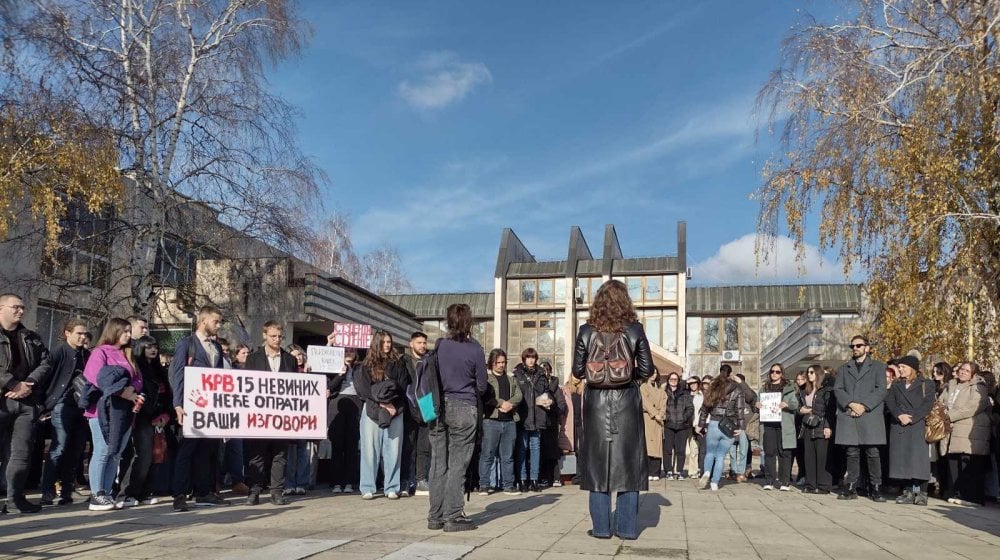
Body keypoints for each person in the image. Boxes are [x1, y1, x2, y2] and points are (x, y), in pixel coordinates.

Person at [571, 280, 653, 540]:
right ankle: (627, 528)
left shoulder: (586, 330)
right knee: (629, 464)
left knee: (597, 465)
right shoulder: (635, 329)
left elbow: (576, 370)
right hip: (627, 401)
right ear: (625, 301)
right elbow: (647, 369)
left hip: (595, 402)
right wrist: (629, 380)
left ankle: (601, 528)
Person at [427, 303, 488, 532]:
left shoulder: (440, 345)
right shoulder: (475, 350)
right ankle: (453, 516)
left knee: (438, 463)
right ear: (469, 322)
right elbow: (481, 386)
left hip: (437, 408)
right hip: (464, 407)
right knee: (457, 465)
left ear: (448, 321)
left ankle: (435, 516)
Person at [169, 305, 228, 512]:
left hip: (211, 409)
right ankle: (179, 494)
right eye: (216, 321)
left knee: (207, 451)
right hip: (191, 406)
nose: (218, 325)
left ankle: (204, 492)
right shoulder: (187, 345)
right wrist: (178, 404)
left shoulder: (217, 348)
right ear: (204, 321)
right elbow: (177, 375)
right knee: (187, 450)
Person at [81, 317, 143, 511]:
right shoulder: (100, 352)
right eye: (124, 331)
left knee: (115, 454)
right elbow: (95, 377)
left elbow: (138, 378)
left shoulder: (129, 353)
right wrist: (120, 390)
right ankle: (96, 494)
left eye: (129, 331)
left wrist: (132, 390)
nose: (128, 334)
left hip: (124, 411)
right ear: (114, 331)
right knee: (102, 450)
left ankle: (106, 493)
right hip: (102, 410)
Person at [0, 293, 52, 513]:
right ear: (1, 308)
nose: (21, 311)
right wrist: (12, 384)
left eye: (23, 307)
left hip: (26, 402)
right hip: (3, 399)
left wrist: (28, 383)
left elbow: (46, 362)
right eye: (16, 307)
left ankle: (15, 498)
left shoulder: (31, 337)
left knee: (20, 452)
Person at [242, 321, 296, 506]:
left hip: (281, 415)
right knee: (256, 453)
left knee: (279, 454)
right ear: (264, 335)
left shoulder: (290, 360)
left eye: (280, 336)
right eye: (273, 336)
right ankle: (254, 491)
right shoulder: (253, 358)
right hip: (259, 415)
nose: (277, 339)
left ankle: (276, 492)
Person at [117, 335, 173, 507]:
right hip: (141, 417)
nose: (153, 350)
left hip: (159, 419)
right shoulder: (136, 369)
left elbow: (167, 396)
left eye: (155, 346)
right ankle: (127, 493)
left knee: (156, 457)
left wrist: (165, 415)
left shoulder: (160, 371)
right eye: (148, 347)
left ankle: (145, 492)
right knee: (141, 456)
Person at [39, 318, 90, 506]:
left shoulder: (87, 355)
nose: (83, 337)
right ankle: (48, 491)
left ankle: (66, 492)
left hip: (81, 406)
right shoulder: (58, 352)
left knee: (75, 450)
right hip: (61, 404)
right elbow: (45, 378)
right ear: (67, 333)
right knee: (58, 448)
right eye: (79, 333)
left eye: (85, 333)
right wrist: (44, 405)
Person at [354, 330, 409, 500]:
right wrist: (380, 403)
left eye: (389, 342)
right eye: (384, 342)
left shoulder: (398, 364)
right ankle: (367, 486)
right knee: (369, 449)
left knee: (393, 449)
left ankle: (392, 486)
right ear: (376, 343)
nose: (387, 345)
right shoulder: (366, 365)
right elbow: (363, 389)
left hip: (395, 409)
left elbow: (403, 385)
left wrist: (392, 404)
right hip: (371, 409)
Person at [834, 335, 888, 501]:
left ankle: (876, 488)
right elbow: (838, 389)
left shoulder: (879, 366)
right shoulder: (844, 368)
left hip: (869, 414)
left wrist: (863, 405)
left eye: (858, 345)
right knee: (852, 452)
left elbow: (881, 390)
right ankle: (851, 487)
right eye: (852, 346)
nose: (855, 348)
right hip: (850, 414)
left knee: (873, 453)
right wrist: (851, 403)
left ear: (867, 347)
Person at [885, 355, 935, 506]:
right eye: (899, 367)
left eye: (903, 367)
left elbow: (927, 404)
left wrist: (912, 417)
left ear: (912, 369)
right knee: (903, 462)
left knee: (918, 462)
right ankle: (908, 491)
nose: (900, 370)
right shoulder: (896, 385)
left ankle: (920, 491)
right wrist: (899, 415)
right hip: (900, 426)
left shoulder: (926, 384)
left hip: (917, 426)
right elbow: (890, 401)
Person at [938, 361, 990, 506]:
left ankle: (973, 497)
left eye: (967, 371)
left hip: (970, 431)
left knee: (969, 464)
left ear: (973, 374)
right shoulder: (951, 385)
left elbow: (973, 407)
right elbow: (941, 401)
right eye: (962, 369)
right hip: (952, 429)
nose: (962, 372)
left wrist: (951, 415)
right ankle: (958, 492)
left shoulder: (978, 387)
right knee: (954, 461)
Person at [479, 348, 522, 495]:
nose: (501, 365)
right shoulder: (486, 378)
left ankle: (508, 485)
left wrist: (510, 404)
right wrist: (500, 403)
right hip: (491, 421)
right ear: (492, 363)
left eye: (504, 362)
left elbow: (519, 395)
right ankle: (484, 485)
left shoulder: (511, 378)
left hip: (509, 421)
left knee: (507, 456)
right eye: (498, 362)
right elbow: (485, 396)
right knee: (487, 454)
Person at [513, 347, 557, 492]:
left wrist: (548, 400)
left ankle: (534, 479)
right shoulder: (517, 374)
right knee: (522, 448)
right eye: (528, 357)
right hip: (524, 416)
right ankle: (522, 479)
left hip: (538, 416)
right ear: (524, 359)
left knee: (535, 448)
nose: (531, 360)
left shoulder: (541, 374)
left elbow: (546, 392)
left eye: (533, 357)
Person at [696, 369, 746, 492]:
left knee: (710, 453)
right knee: (720, 456)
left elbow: (705, 407)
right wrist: (740, 427)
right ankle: (715, 482)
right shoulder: (738, 389)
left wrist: (701, 424)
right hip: (729, 425)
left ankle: (707, 471)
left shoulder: (714, 387)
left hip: (713, 423)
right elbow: (740, 409)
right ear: (730, 374)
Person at [757, 363, 799, 490]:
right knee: (769, 453)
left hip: (784, 425)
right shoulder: (764, 388)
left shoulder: (789, 387)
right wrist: (757, 404)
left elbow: (795, 404)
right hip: (768, 424)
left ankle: (784, 481)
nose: (774, 374)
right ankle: (769, 480)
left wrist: (786, 404)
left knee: (784, 453)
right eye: (772, 371)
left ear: (782, 373)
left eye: (777, 372)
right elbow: (757, 402)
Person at [327, 347, 361, 494]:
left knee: (352, 446)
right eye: (346, 351)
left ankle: (349, 482)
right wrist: (341, 374)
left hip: (356, 403)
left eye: (351, 351)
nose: (349, 354)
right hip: (338, 402)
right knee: (337, 445)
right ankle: (335, 483)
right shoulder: (333, 366)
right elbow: (329, 387)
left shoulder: (360, 367)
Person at [800, 364, 836, 494]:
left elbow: (829, 410)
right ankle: (810, 484)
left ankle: (824, 486)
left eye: (811, 372)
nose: (809, 375)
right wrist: (801, 410)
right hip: (808, 425)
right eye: (808, 372)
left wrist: (828, 426)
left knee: (823, 457)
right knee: (809, 457)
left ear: (818, 373)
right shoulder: (805, 390)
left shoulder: (825, 390)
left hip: (821, 425)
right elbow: (800, 406)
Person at [401, 331, 429, 497]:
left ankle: (420, 480)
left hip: (426, 404)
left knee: (424, 447)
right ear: (411, 344)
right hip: (409, 404)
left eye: (424, 343)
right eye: (419, 343)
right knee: (408, 446)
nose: (422, 346)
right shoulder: (404, 361)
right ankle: (405, 480)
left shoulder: (429, 361)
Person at [663, 371, 694, 480]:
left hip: (682, 425)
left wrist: (684, 418)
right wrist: (666, 417)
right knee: (667, 450)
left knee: (680, 450)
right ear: (668, 380)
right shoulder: (664, 392)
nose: (673, 381)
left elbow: (690, 408)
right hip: (668, 425)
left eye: (675, 379)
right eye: (671, 379)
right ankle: (668, 471)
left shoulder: (685, 394)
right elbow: (661, 407)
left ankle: (680, 471)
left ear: (678, 381)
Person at [728, 370, 756, 481]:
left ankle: (741, 472)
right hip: (732, 425)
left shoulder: (748, 393)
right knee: (732, 450)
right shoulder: (731, 392)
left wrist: (741, 383)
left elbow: (751, 397)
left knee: (743, 450)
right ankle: (734, 471)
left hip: (743, 427)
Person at [640, 370, 666, 481]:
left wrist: (660, 414)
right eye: (651, 373)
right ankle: (647, 471)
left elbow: (664, 403)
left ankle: (656, 472)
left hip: (658, 421)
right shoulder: (643, 387)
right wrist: (655, 413)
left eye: (655, 373)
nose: (653, 375)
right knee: (647, 445)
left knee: (657, 445)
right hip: (647, 418)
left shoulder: (660, 390)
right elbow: (644, 402)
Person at [685, 376, 705, 478]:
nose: (692, 385)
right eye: (690, 383)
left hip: (697, 424)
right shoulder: (685, 394)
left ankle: (694, 470)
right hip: (686, 424)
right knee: (687, 449)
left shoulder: (702, 395)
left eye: (694, 383)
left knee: (695, 448)